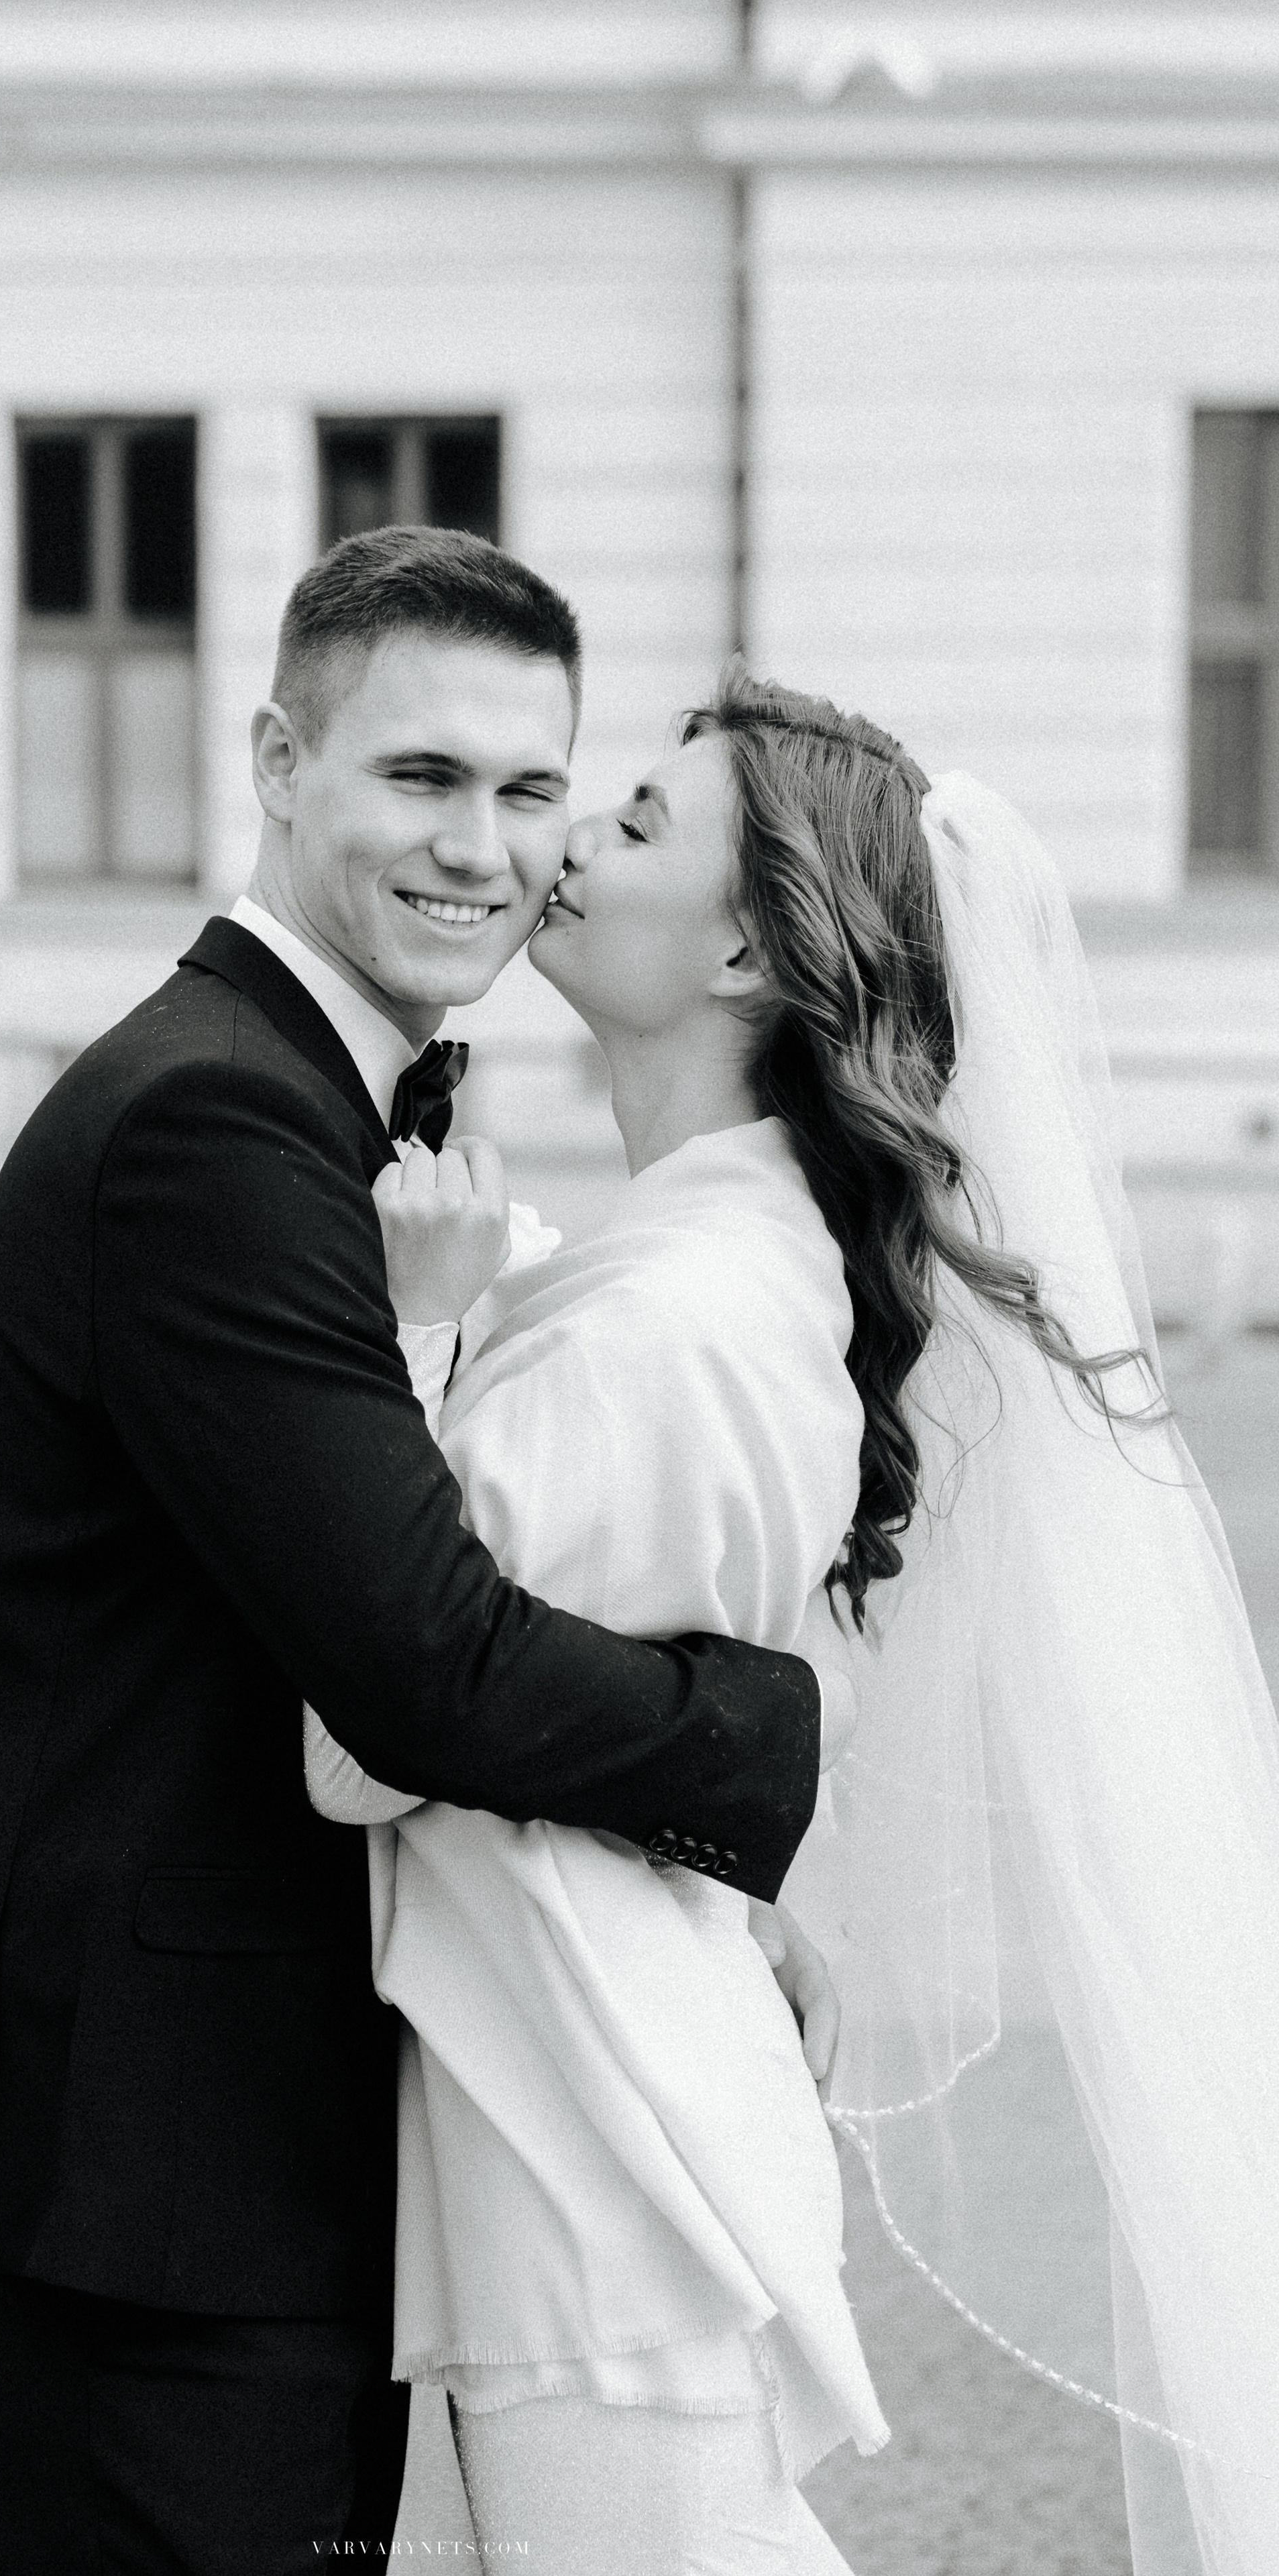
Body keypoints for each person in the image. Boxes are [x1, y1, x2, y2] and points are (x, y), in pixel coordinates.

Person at [0, 532, 850, 2576]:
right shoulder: (218, 1125)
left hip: (239, 2158)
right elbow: (419, 1666)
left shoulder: (318, 1110)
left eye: (527, 791)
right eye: (419, 778)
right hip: (149, 2178)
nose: (484, 847)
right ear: (281, 763)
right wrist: (749, 1746)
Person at [311, 665, 1279, 2575]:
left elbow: (368, 1735)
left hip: (594, 2175)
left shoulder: (680, 1321)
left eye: (638, 822)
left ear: (751, 945)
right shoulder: (692, 1269)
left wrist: (410, 1337)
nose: (567, 838)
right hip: (602, 2140)